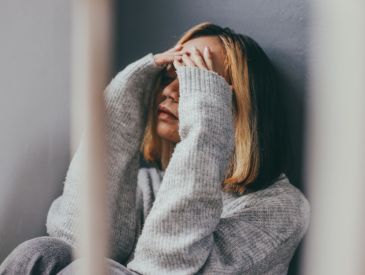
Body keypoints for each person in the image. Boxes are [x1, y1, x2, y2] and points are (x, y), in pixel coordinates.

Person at [0, 21, 310, 275]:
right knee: (42, 252)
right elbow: (76, 239)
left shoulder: (281, 208)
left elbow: (163, 270)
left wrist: (204, 124)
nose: (169, 91)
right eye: (168, 76)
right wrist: (121, 101)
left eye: (194, 80)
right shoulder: (150, 184)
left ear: (233, 103)